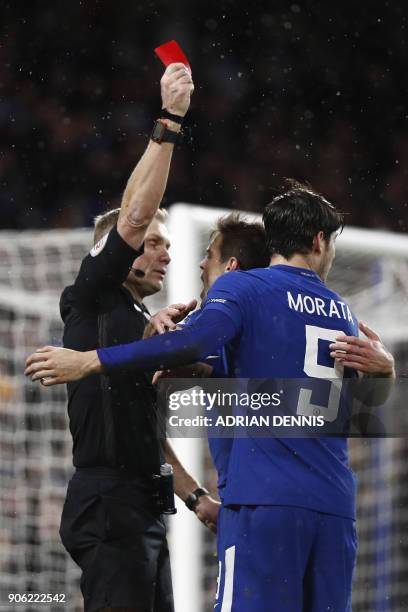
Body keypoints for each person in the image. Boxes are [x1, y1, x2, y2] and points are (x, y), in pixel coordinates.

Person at [25, 182, 396, 611]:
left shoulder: (244, 290)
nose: (199, 264)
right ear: (319, 241)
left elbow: (194, 345)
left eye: (208, 257)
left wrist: (91, 360)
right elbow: (372, 403)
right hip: (334, 509)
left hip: (263, 504)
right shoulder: (344, 313)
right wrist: (386, 368)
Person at [27, 62, 220, 612]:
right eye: (154, 243)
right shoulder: (90, 293)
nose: (166, 251)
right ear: (114, 250)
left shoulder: (139, 326)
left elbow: (145, 431)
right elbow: (132, 217)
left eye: (166, 243)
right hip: (109, 503)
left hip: (143, 504)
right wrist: (170, 119)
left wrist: (194, 495)